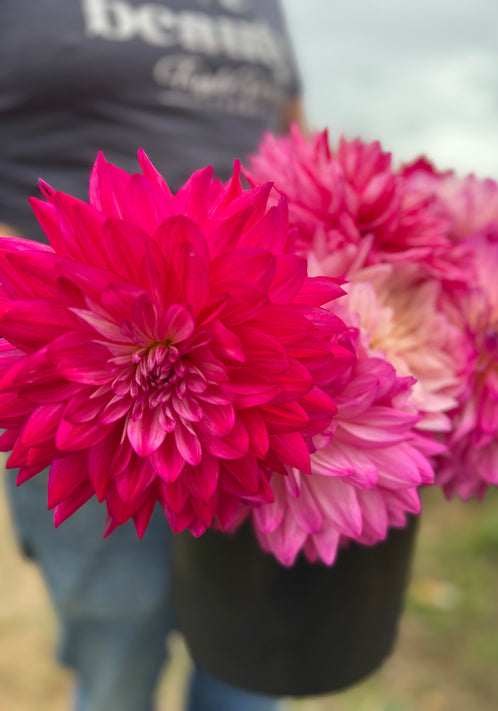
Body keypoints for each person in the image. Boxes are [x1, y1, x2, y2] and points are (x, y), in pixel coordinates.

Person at [0, 2, 303, 709]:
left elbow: (291, 131)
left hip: (257, 337)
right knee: (117, 619)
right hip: (56, 325)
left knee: (255, 629)